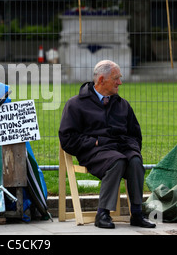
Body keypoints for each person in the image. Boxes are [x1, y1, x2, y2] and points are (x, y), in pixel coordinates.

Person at [59, 60, 155, 229]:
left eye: (120, 78)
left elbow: (135, 135)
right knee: (116, 161)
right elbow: (67, 138)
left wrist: (132, 149)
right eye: (116, 78)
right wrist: (94, 142)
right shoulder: (75, 104)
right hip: (93, 151)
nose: (120, 82)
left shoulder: (122, 104)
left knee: (134, 160)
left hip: (121, 149)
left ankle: (137, 213)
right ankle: (102, 214)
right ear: (102, 80)